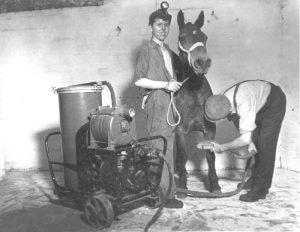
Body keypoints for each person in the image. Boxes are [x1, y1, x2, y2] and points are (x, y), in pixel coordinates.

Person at [133, 2, 183, 208]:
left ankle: (167, 194)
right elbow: (138, 80)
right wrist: (165, 85)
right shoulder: (147, 50)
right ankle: (158, 196)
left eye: (166, 25)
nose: (163, 28)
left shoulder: (168, 50)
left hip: (170, 102)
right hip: (157, 101)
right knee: (158, 148)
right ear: (150, 27)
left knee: (168, 148)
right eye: (159, 25)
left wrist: (174, 85)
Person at [203, 79, 286, 202]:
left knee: (265, 145)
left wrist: (223, 147)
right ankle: (255, 180)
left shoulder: (243, 104)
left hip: (273, 102)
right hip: (258, 103)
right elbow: (244, 128)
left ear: (228, 111)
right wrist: (252, 142)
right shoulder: (221, 99)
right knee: (257, 143)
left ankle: (260, 190)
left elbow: (246, 138)